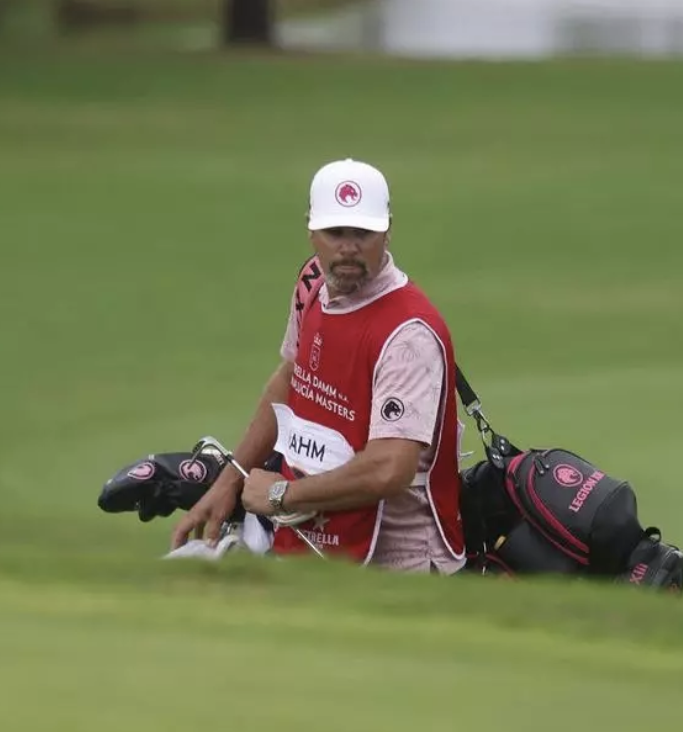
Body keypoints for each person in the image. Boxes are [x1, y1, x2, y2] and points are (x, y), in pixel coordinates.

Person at [170, 158, 466, 573]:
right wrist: (230, 479)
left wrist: (280, 496)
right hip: (315, 538)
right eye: (335, 232)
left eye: (363, 233)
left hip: (400, 562)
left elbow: (390, 468)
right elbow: (292, 378)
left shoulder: (408, 334)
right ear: (311, 230)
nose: (348, 247)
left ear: (387, 231)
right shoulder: (311, 284)